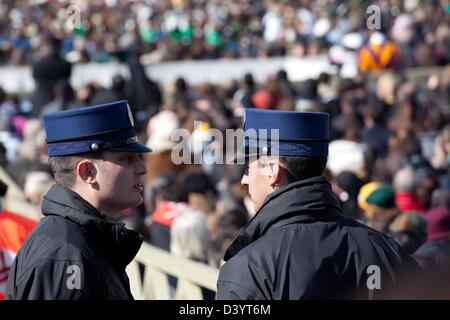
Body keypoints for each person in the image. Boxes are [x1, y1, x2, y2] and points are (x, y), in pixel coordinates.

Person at [216, 109, 418, 300]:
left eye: (247, 168)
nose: (244, 179)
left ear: (272, 170)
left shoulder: (248, 269)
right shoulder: (386, 250)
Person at [6, 100, 151, 300]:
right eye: (127, 159)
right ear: (87, 172)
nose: (142, 169)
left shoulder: (79, 240)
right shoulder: (65, 255)